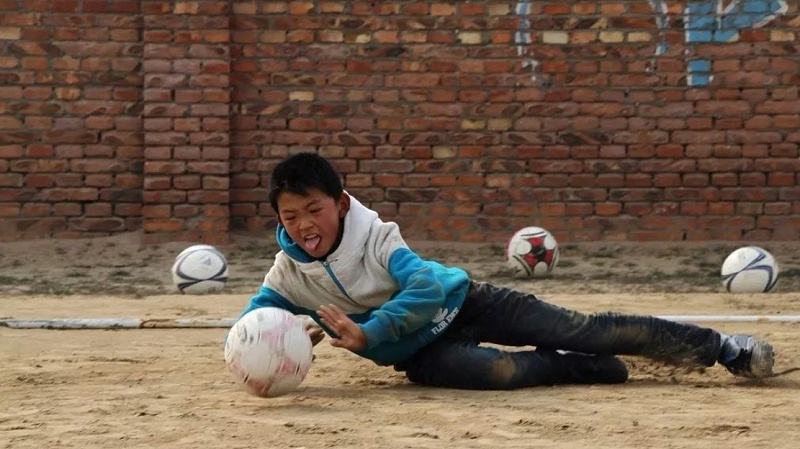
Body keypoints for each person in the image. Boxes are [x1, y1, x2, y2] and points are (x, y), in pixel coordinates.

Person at [236, 152, 775, 390]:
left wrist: (370, 331)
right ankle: (581, 369)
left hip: (469, 301)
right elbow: (253, 319)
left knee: (585, 328)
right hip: (426, 354)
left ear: (342, 203)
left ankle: (724, 348)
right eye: (291, 215)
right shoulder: (288, 274)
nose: (305, 224)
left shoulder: (377, 236)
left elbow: (424, 288)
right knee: (500, 373)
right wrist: (256, 354)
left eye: (315, 210)